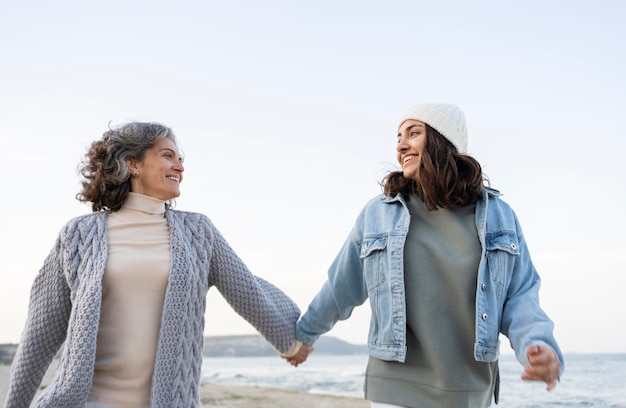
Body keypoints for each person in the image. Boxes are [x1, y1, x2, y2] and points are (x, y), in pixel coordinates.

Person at [4, 122, 303, 408]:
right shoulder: (78, 235)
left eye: (180, 158)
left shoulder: (198, 233)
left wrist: (293, 341)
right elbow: (39, 334)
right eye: (167, 156)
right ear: (133, 164)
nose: (180, 166)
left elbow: (245, 288)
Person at [283, 104, 563, 407]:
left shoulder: (499, 216)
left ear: (444, 141)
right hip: (394, 387)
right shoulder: (379, 213)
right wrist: (304, 336)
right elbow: (341, 287)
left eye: (414, 133)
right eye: (399, 137)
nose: (401, 145)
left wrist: (538, 346)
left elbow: (521, 296)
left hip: (468, 390)